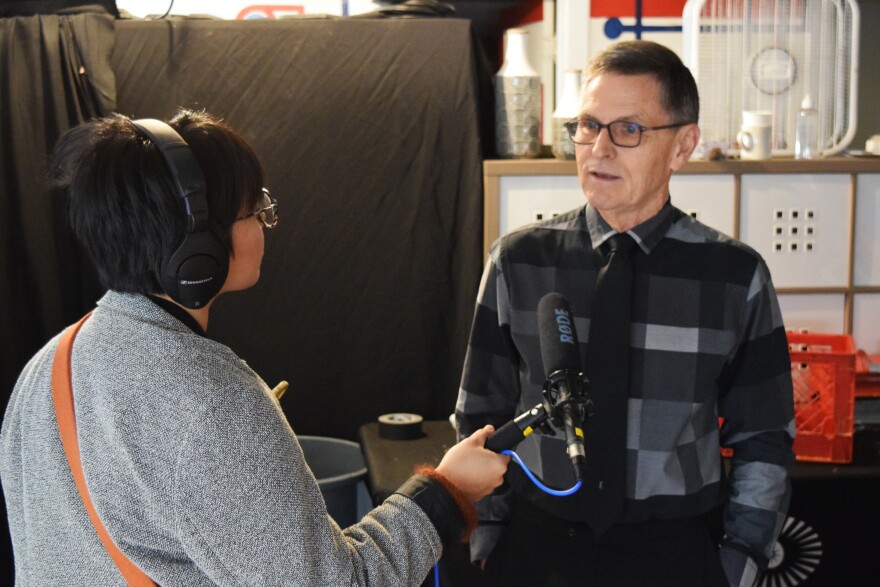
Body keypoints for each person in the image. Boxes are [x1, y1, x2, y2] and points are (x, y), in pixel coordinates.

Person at [0, 109, 509, 585]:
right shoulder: (209, 401)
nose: (266, 220)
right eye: (255, 208)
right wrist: (446, 491)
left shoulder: (49, 364)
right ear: (196, 246)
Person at [455, 40, 795, 587]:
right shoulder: (519, 260)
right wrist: (488, 534)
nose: (599, 149)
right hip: (538, 546)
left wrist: (742, 560)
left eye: (628, 129)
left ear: (682, 146)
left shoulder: (733, 275)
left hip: (675, 550)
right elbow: (479, 415)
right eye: (588, 126)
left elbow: (764, 437)